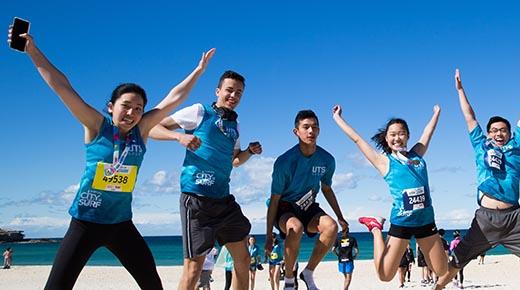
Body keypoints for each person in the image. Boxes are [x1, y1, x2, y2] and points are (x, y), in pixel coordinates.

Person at [9, 26, 212, 290]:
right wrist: (33, 51)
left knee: (152, 284)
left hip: (120, 224)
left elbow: (174, 98)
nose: (132, 112)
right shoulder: (96, 125)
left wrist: (198, 72)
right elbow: (62, 87)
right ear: (111, 107)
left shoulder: (142, 131)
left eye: (138, 108)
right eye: (126, 105)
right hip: (84, 222)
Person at [435, 69, 520, 289]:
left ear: (509, 133)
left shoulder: (517, 146)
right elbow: (470, 117)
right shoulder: (481, 145)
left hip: (514, 219)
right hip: (485, 220)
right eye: (494, 130)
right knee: (458, 260)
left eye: (503, 130)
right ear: (488, 133)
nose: (499, 133)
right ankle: (437, 288)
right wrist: (460, 90)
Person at [150, 68, 262, 290]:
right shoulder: (199, 112)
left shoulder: (234, 127)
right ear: (218, 91)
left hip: (223, 200)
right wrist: (178, 136)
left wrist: (249, 151)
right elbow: (153, 127)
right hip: (197, 200)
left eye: (239, 93)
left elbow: (234, 161)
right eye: (229, 90)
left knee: (243, 259)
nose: (234, 96)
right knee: (193, 269)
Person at [332, 104, 451, 285]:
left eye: (401, 133)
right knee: (385, 276)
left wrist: (436, 114)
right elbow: (357, 140)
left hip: (425, 221)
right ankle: (375, 229)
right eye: (392, 134)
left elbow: (429, 132)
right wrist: (338, 118)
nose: (397, 137)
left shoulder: (417, 154)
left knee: (442, 270)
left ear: (408, 136)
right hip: (401, 223)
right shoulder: (384, 162)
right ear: (387, 139)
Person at [264, 110, 348, 290]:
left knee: (331, 226)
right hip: (284, 207)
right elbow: (274, 199)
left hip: (308, 205)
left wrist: (340, 217)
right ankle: (288, 280)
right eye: (306, 127)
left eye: (315, 127)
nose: (311, 131)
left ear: (319, 130)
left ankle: (308, 272)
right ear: (296, 132)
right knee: (296, 227)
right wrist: (269, 234)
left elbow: (326, 188)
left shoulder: (327, 159)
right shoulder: (284, 161)